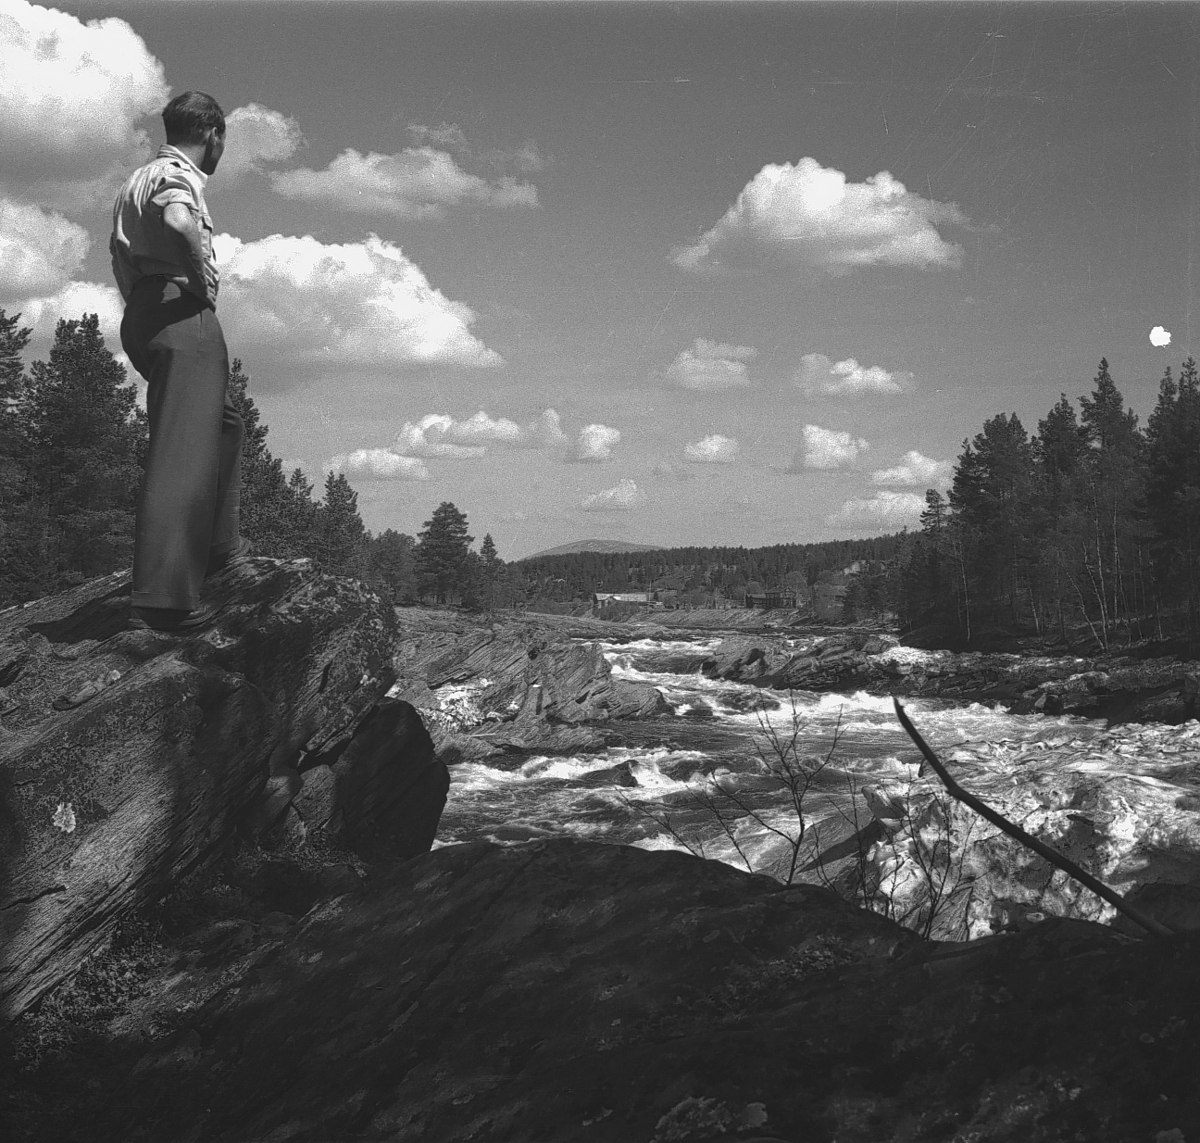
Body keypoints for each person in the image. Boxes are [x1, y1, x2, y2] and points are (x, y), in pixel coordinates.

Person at [111, 91, 249, 631]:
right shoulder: (177, 173)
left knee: (224, 422)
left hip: (144, 314)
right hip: (178, 310)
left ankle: (219, 545)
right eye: (223, 141)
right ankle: (164, 599)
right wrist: (199, 276)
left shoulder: (135, 179)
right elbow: (176, 220)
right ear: (214, 134)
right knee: (184, 447)